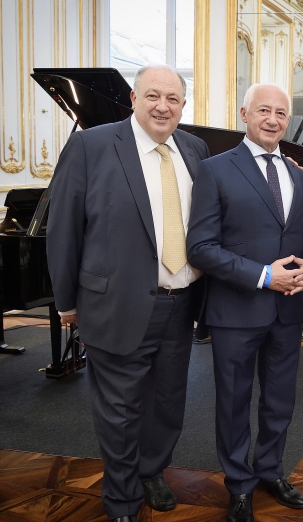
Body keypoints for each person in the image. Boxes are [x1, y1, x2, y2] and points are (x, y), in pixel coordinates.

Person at [46, 65, 210, 522]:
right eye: (153, 95)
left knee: (167, 402)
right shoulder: (91, 145)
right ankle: (120, 499)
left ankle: (152, 470)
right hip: (113, 303)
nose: (163, 106)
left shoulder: (194, 149)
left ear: (183, 105)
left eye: (173, 98)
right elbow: (63, 230)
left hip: (181, 305)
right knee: (118, 411)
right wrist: (66, 302)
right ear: (134, 98)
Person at [186, 83, 303, 522]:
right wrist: (264, 276)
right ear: (244, 113)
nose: (273, 119)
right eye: (264, 110)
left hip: (287, 312)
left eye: (281, 113)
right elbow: (200, 247)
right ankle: (238, 485)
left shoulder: (300, 175)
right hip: (236, 311)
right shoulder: (215, 170)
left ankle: (270, 470)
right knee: (234, 402)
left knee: (281, 400)